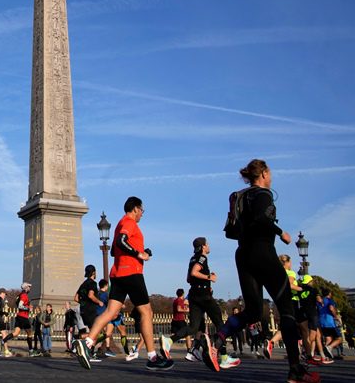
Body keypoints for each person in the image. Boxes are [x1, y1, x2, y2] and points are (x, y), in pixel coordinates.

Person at [208, 159, 319, 383]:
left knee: (254, 311)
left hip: (243, 254)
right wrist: (280, 232)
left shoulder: (240, 195)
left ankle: (217, 341)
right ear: (264, 173)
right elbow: (261, 218)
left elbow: (231, 230)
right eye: (270, 173)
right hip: (262, 250)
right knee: (287, 308)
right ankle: (295, 369)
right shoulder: (263, 194)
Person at [74, 196, 173, 371]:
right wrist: (138, 254)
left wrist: (141, 251)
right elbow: (121, 242)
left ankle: (87, 342)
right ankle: (152, 356)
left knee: (111, 312)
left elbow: (113, 251)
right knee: (146, 312)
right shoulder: (129, 222)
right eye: (142, 210)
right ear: (135, 208)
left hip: (117, 273)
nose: (142, 213)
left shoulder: (120, 223)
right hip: (132, 273)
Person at [163, 237, 239, 370]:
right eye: (207, 244)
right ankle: (224, 357)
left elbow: (189, 278)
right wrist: (209, 278)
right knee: (220, 324)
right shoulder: (202, 258)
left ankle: (169, 341)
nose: (209, 246)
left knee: (193, 327)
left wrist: (203, 280)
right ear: (203, 246)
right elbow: (194, 272)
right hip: (204, 296)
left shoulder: (192, 258)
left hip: (193, 295)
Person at [1, 283, 34, 355]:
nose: (30, 288)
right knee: (29, 333)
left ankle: (3, 340)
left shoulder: (19, 295)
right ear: (25, 288)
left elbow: (18, 303)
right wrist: (28, 308)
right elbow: (20, 306)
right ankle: (31, 350)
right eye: (29, 287)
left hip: (19, 316)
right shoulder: (24, 295)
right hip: (23, 317)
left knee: (16, 333)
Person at [75, 265, 104, 344]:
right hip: (91, 310)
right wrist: (99, 302)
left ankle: (90, 351)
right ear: (93, 272)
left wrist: (84, 303)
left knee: (93, 331)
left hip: (83, 310)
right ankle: (78, 338)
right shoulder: (93, 283)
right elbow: (90, 295)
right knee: (97, 333)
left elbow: (76, 298)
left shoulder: (83, 284)